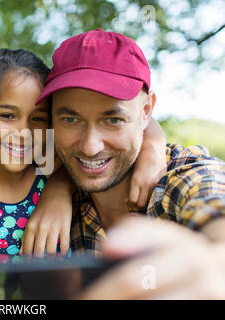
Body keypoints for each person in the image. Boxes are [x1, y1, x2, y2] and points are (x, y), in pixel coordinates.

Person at [0, 48, 168, 300]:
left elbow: (138, 117)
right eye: (7, 116)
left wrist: (154, 148)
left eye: (38, 118)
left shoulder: (55, 166)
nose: (23, 132)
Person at [35, 29, 225, 299]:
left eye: (112, 120)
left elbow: (213, 199)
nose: (91, 146)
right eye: (71, 119)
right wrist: (58, 184)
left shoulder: (181, 174)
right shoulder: (40, 185)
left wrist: (214, 265)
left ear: (147, 111)